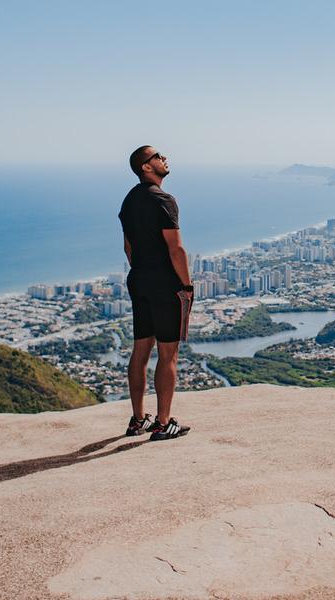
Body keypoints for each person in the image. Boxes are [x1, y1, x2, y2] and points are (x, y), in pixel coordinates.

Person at [118, 145, 193, 441]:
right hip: (165, 284)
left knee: (140, 349)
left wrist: (143, 272)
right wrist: (186, 287)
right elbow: (176, 249)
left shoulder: (129, 201)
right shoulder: (164, 200)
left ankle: (138, 420)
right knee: (168, 353)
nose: (164, 159)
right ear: (146, 167)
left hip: (139, 279)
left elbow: (129, 247)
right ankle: (163, 423)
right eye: (158, 156)